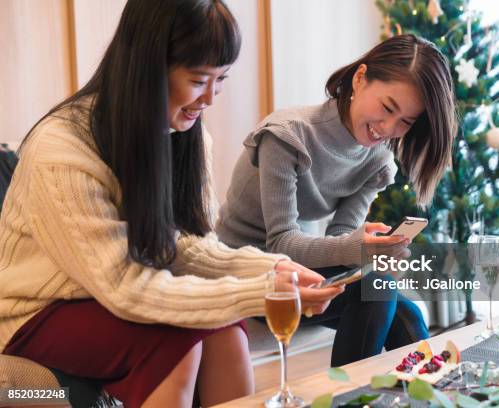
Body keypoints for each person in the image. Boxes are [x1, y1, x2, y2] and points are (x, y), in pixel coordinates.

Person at [0, 1, 343, 407]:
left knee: (227, 330)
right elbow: (124, 289)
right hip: (37, 311)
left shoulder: (186, 136)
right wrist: (264, 291)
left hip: (108, 297)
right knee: (175, 346)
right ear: (146, 69)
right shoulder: (62, 149)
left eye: (221, 79)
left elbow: (186, 246)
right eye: (199, 80)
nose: (210, 98)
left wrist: (273, 268)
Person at [216, 34, 457, 366]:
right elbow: (281, 243)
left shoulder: (375, 162)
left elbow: (339, 238)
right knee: (378, 289)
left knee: (407, 313)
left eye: (405, 122)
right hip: (246, 269)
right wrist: (356, 248)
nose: (387, 128)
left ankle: (428, 396)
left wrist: (369, 249)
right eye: (387, 108)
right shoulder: (286, 137)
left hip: (302, 270)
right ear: (360, 78)